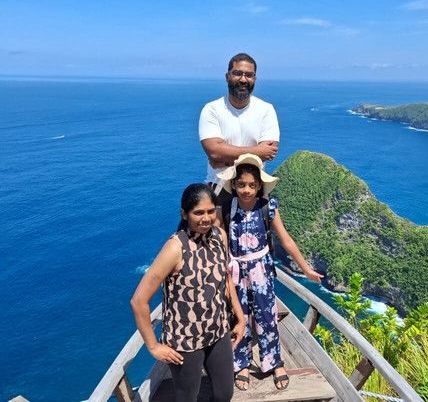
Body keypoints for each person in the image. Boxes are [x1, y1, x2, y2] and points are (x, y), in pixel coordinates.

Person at [216, 154, 324, 391]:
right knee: (239, 317)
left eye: (252, 185)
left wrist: (306, 269)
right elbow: (216, 239)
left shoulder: (267, 208)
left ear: (259, 186)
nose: (246, 190)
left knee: (267, 316)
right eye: (242, 184)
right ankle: (242, 364)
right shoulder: (225, 209)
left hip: (261, 272)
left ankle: (274, 362)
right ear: (233, 184)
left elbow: (286, 240)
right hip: (235, 274)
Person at [130, 183, 245, 402]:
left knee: (224, 394)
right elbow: (138, 300)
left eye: (210, 211)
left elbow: (226, 279)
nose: (206, 218)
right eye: (198, 212)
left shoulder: (219, 236)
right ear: (184, 213)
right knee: (188, 397)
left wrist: (240, 318)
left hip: (218, 329)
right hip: (185, 339)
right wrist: (153, 346)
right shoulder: (175, 248)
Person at [199, 52, 280, 204]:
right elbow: (214, 151)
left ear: (254, 78)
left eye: (249, 75)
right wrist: (257, 152)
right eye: (237, 73)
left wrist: (225, 160)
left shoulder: (266, 110)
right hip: (219, 188)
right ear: (227, 76)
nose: (243, 79)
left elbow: (268, 152)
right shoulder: (212, 109)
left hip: (253, 188)